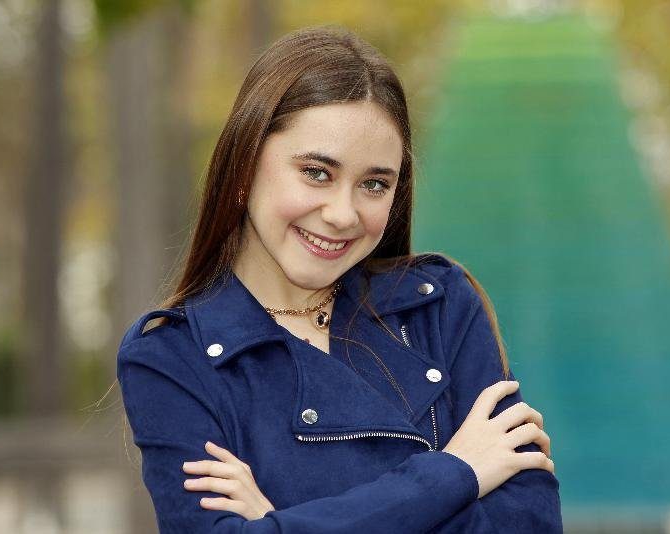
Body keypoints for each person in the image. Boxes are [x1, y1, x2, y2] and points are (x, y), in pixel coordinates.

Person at [116, 24, 562, 533]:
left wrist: (278, 522)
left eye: (374, 184)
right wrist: (456, 473)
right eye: (317, 173)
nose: (343, 214)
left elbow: (527, 524)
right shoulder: (172, 358)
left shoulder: (437, 306)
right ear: (244, 166)